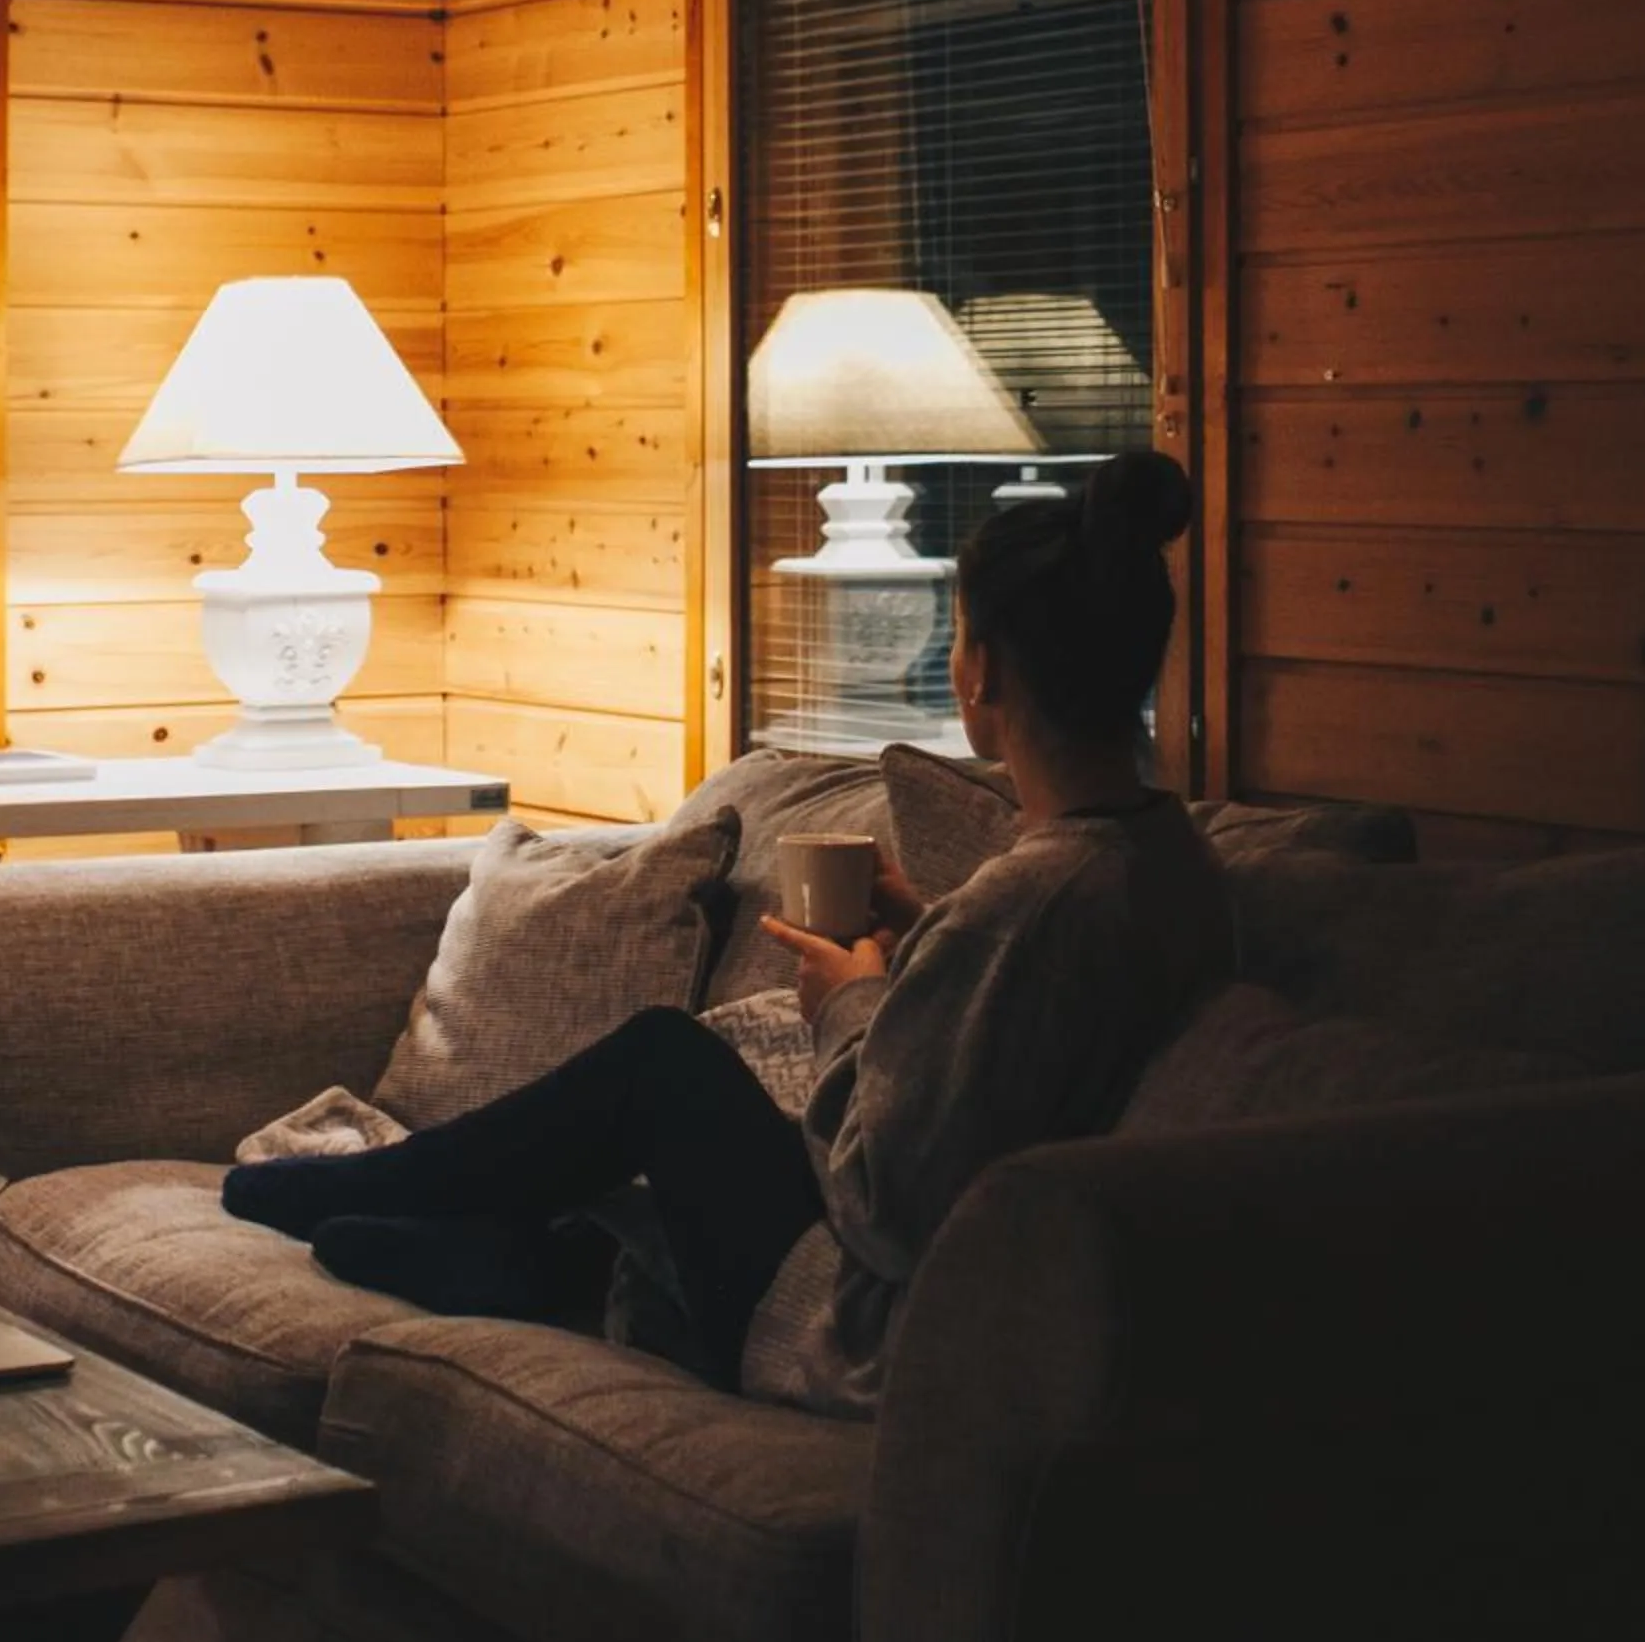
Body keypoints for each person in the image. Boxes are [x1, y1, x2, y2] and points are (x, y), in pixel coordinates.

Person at [222, 449, 1233, 1416]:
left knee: (668, 1064)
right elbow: (1020, 1026)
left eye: (960, 634)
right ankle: (510, 1255)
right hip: (926, 1277)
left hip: (863, 1333)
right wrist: (927, 930)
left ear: (983, 678)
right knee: (665, 1133)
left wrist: (846, 1003)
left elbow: (884, 1202)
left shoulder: (1023, 905)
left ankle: (366, 1188)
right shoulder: (1165, 864)